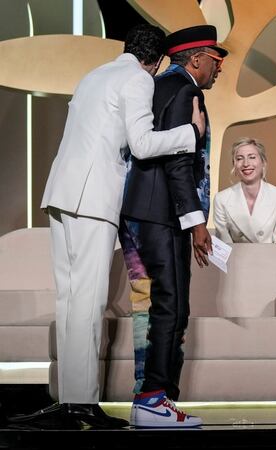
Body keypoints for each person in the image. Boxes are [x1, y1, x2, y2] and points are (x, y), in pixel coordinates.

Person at [13, 24, 205, 429]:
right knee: (88, 301)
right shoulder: (137, 78)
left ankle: (70, 400)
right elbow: (142, 143)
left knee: (70, 301)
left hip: (61, 192)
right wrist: (191, 133)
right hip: (93, 198)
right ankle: (80, 404)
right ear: (154, 62)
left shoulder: (94, 75)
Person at [121, 24, 227, 428]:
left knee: (155, 308)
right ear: (197, 59)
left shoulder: (157, 85)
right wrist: (197, 222)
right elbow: (179, 163)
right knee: (172, 306)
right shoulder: (185, 90)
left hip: (140, 213)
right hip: (162, 214)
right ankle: (153, 400)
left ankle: (152, 399)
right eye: (215, 62)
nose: (218, 70)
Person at [214, 137, 276, 244]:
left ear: (263, 162)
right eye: (239, 158)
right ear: (234, 165)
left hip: (270, 258)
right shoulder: (221, 199)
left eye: (252, 157)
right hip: (236, 259)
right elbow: (225, 245)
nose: (246, 164)